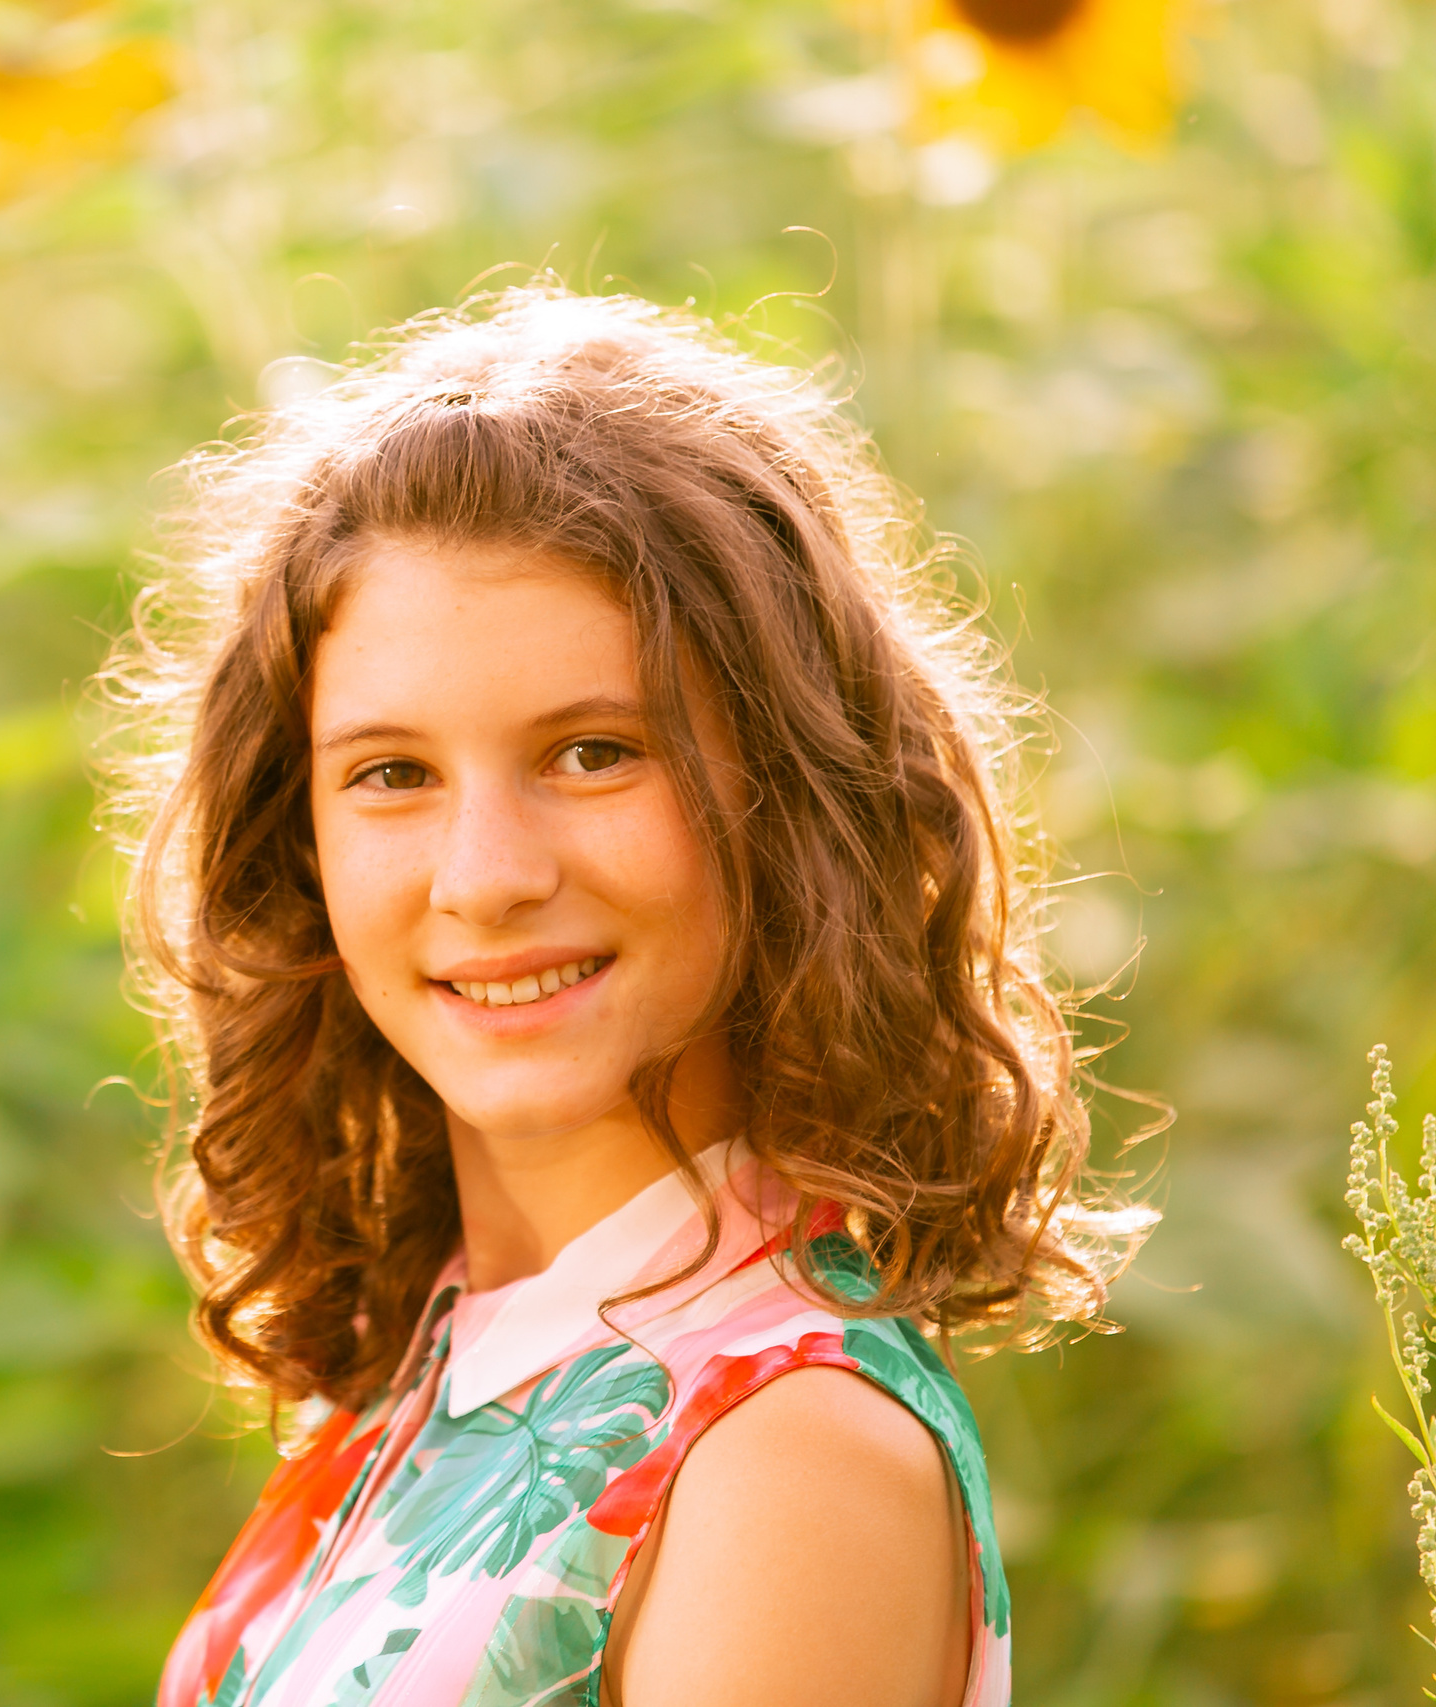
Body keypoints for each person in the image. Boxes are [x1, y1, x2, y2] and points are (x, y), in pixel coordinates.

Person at [103, 286, 1147, 1707]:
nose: (483, 877)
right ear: (302, 840)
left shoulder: (785, 1454)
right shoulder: (460, 1360)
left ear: (787, 799)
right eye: (391, 774)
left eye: (594, 752)